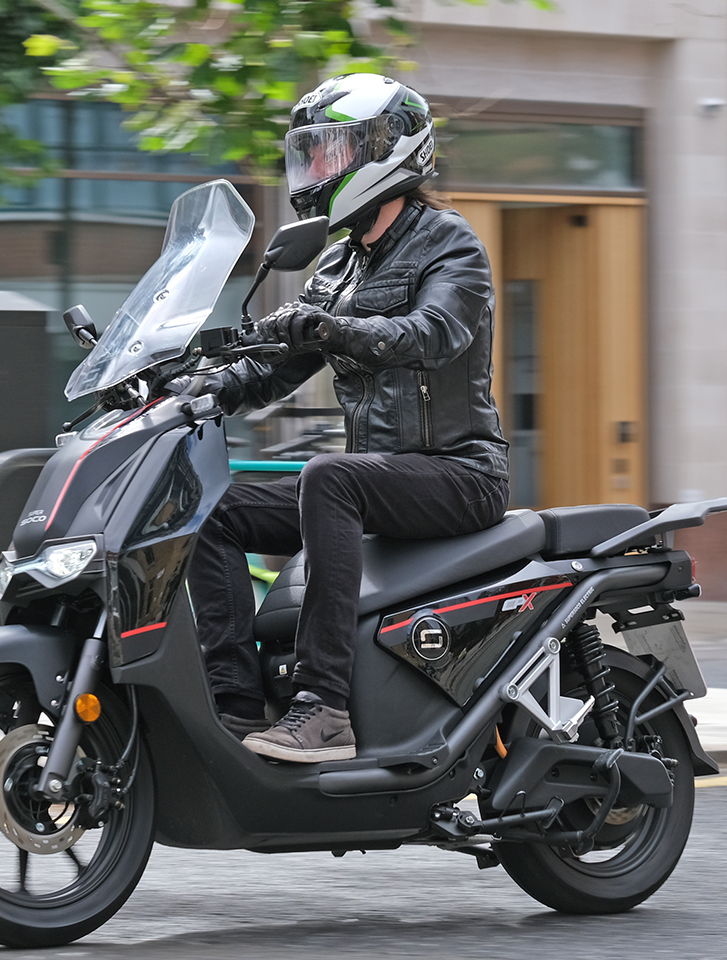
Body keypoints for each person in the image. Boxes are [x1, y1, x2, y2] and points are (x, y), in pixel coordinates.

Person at [186, 73, 510, 762]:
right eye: (311, 152)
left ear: (387, 152)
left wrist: (335, 329)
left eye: (332, 151)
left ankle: (324, 707)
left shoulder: (451, 244)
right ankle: (235, 706)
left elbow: (432, 335)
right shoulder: (338, 264)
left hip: (459, 473)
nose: (317, 167)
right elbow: (276, 367)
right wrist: (200, 390)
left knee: (328, 476)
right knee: (210, 510)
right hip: (380, 479)